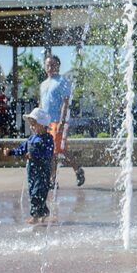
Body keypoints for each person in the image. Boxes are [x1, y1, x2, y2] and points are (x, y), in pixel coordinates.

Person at [39, 55, 85, 186]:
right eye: (47, 65)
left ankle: (53, 180)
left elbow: (65, 103)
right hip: (46, 123)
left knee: (55, 151)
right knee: (57, 151)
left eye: (52, 64)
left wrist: (61, 121)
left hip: (57, 122)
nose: (50, 67)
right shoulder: (43, 84)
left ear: (58, 66)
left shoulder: (62, 82)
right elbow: (42, 104)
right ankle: (77, 170)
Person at [3, 108, 54, 224]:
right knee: (33, 192)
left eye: (33, 124)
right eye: (30, 124)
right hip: (32, 170)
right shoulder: (31, 138)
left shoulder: (48, 139)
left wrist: (35, 154)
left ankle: (35, 216)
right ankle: (44, 212)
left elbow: (48, 153)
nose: (31, 126)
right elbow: (22, 149)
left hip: (43, 170)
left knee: (38, 192)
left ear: (41, 124)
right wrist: (11, 152)